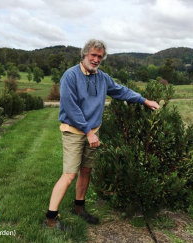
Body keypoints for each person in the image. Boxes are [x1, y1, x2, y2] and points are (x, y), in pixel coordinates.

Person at [45, 39, 160, 229]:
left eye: (100, 56)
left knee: (86, 170)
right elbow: (71, 108)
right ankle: (50, 218)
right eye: (93, 55)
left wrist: (144, 100)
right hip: (74, 132)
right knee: (69, 174)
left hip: (93, 132)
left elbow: (120, 91)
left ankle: (79, 208)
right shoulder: (70, 76)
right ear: (84, 55)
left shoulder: (102, 78)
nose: (96, 59)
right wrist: (88, 132)